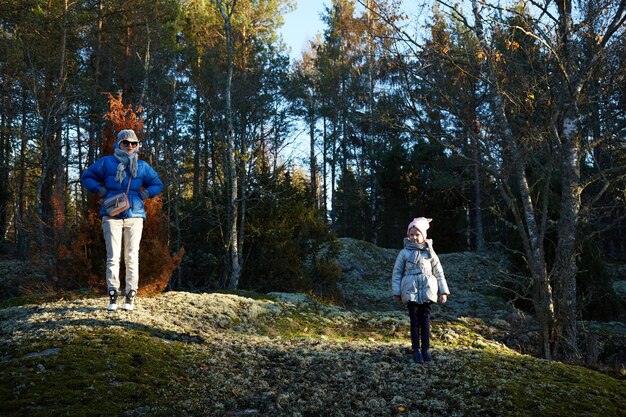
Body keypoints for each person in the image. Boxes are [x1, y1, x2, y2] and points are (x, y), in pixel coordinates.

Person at [81, 129, 163, 311]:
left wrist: (144, 194)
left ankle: (130, 296)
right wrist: (101, 191)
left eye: (134, 143)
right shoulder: (106, 163)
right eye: (126, 143)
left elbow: (158, 183)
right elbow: (86, 176)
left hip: (135, 217)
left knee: (132, 257)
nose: (130, 146)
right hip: (111, 215)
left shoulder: (141, 166)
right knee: (113, 257)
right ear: (119, 143)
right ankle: (112, 296)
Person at [391, 217, 449, 365]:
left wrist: (443, 292)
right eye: (411, 234)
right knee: (415, 321)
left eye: (417, 234)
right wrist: (396, 292)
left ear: (424, 235)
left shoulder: (430, 253)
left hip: (428, 292)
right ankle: (416, 350)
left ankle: (426, 349)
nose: (414, 237)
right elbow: (397, 273)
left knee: (426, 321)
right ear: (408, 235)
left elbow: (439, 272)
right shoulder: (404, 253)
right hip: (410, 292)